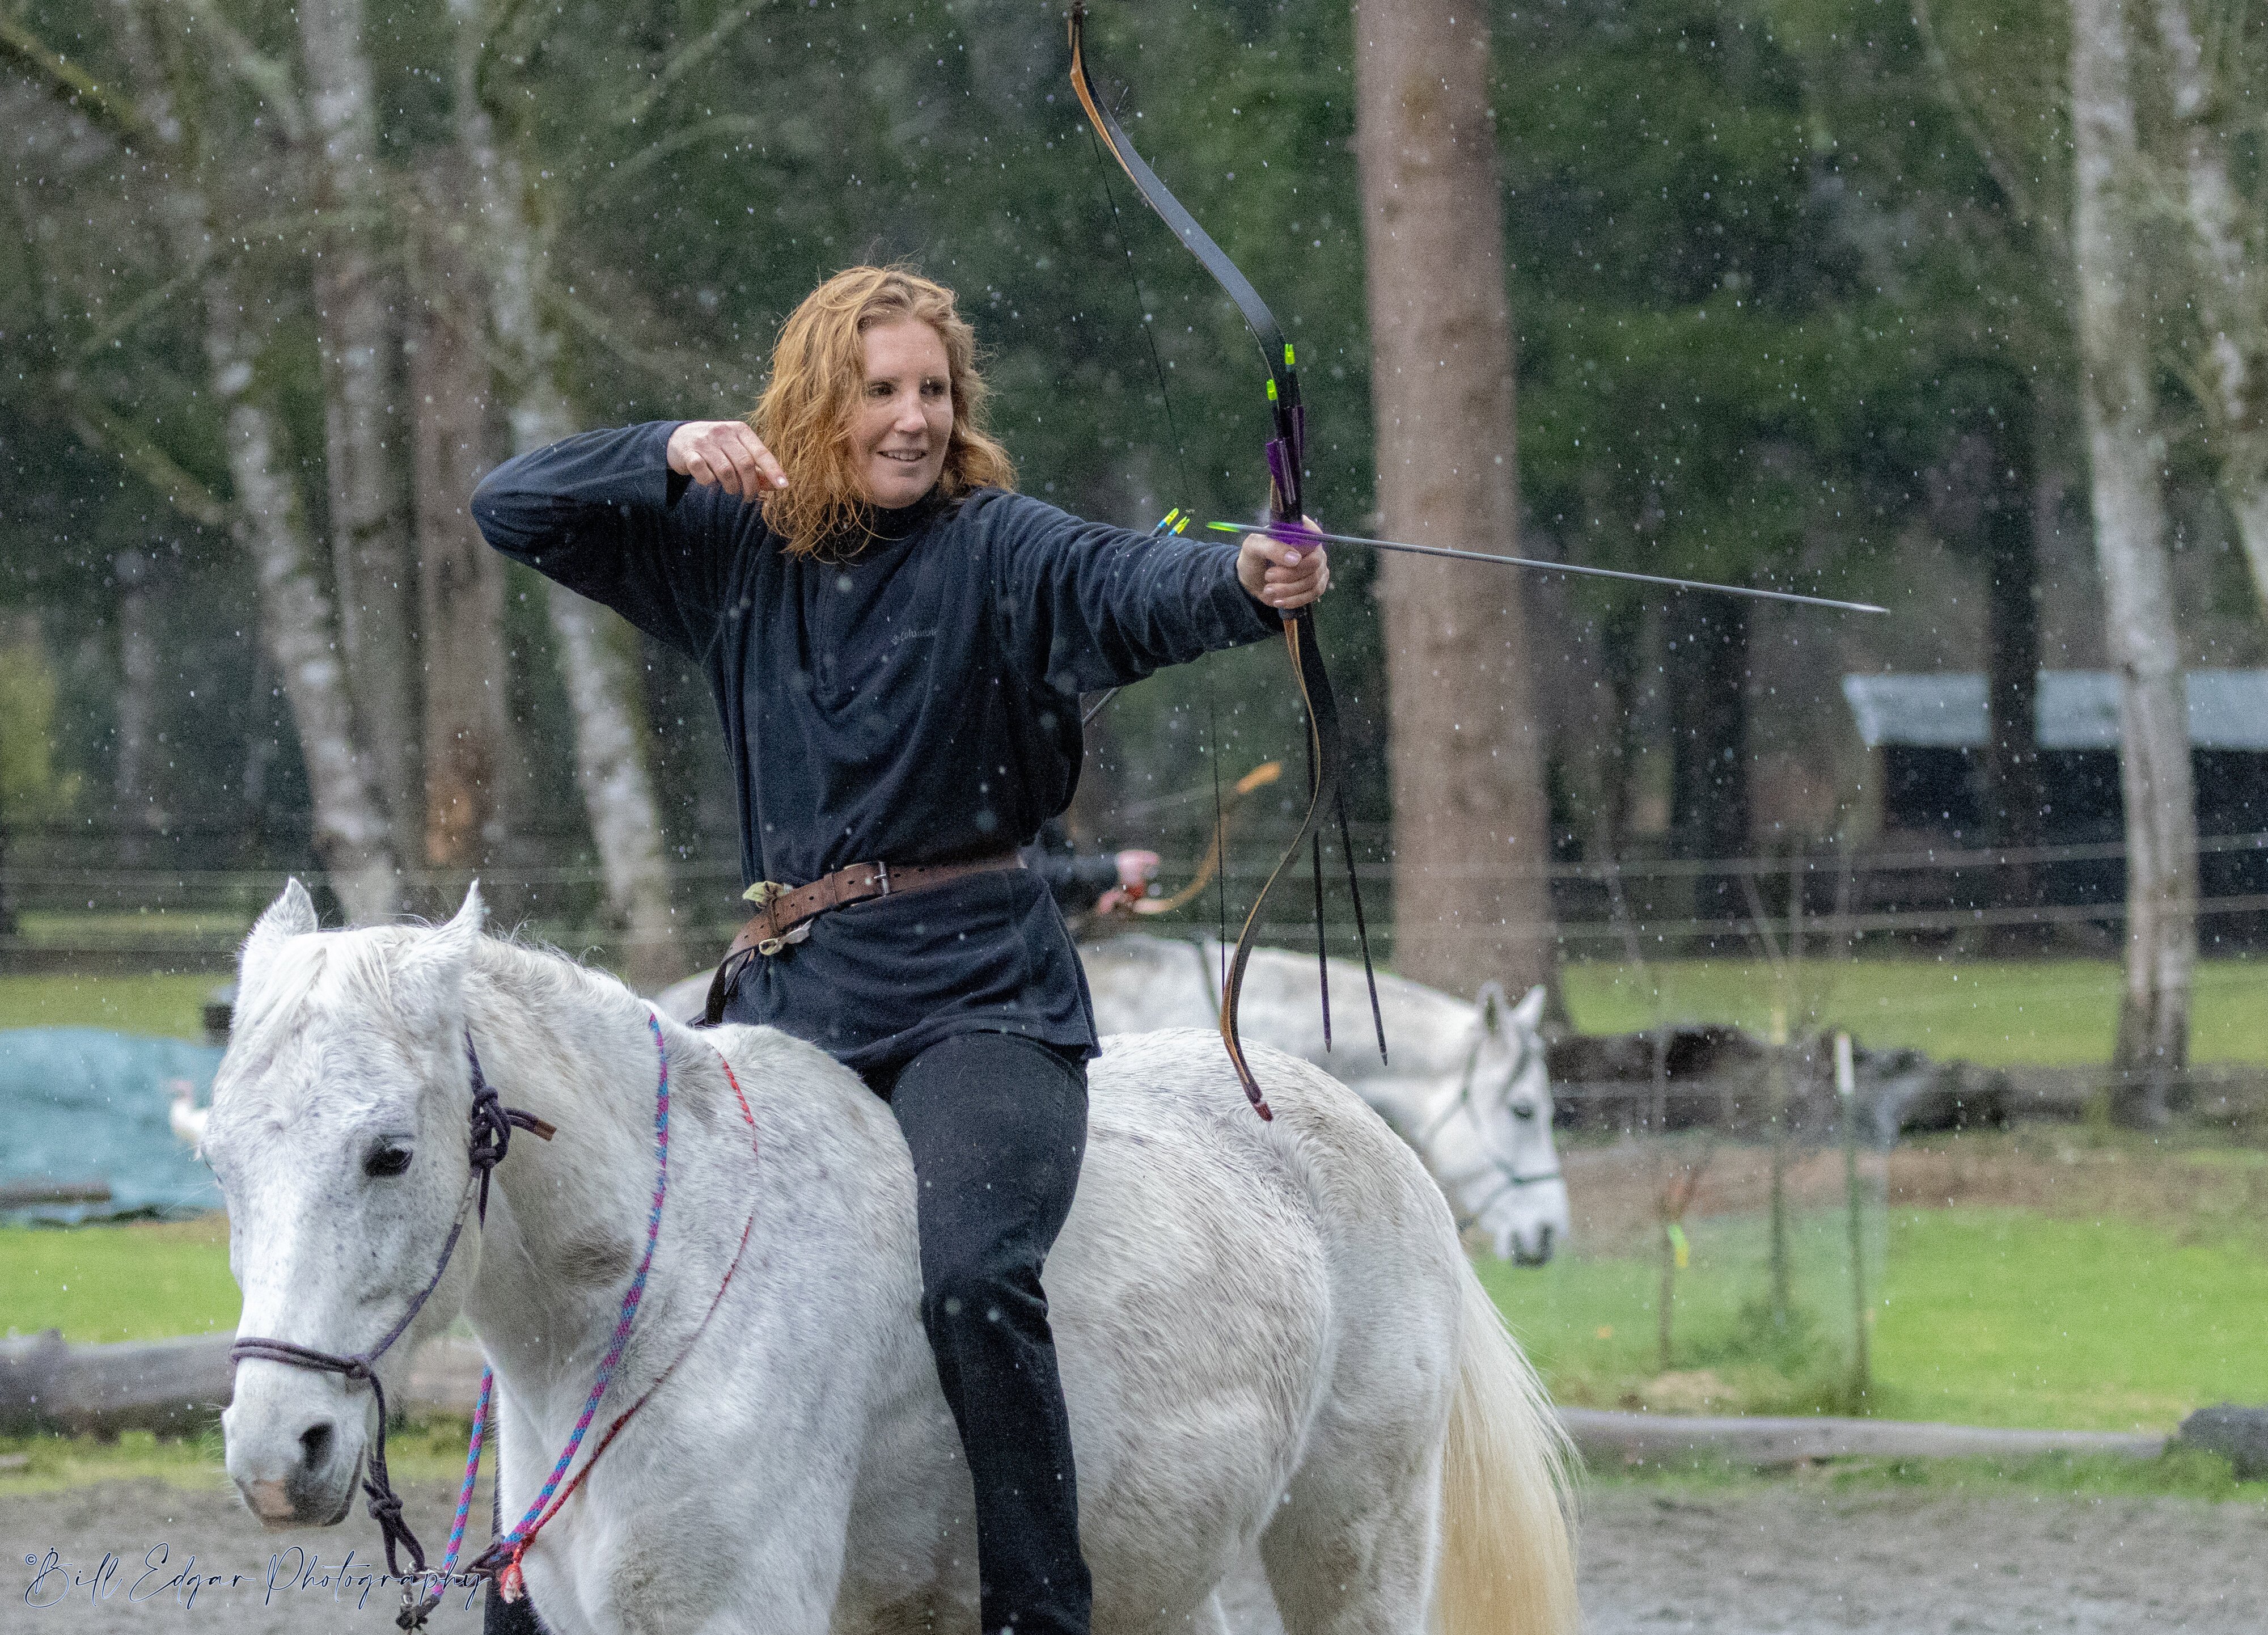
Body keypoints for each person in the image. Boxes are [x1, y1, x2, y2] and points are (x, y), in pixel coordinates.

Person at [469, 264, 1327, 1635]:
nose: (912, 418)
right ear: (818, 403)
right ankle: (531, 1577)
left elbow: (1128, 582)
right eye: (879, 391)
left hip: (979, 998)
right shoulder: (734, 551)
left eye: (932, 390)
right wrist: (662, 449)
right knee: (603, 1247)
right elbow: (510, 506)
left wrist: (1243, 576)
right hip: (791, 996)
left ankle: (1037, 1610)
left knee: (976, 1269)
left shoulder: (998, 547)